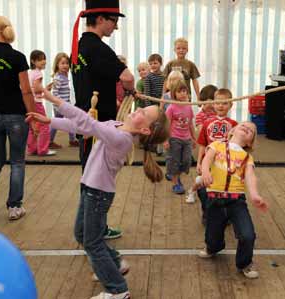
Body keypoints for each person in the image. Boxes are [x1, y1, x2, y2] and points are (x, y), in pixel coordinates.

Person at [26, 88, 169, 299]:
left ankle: (118, 290)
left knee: (92, 242)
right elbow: (82, 128)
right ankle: (116, 263)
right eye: (141, 108)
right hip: (90, 188)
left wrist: (52, 99)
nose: (137, 110)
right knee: (82, 234)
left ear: (146, 130)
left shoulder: (122, 139)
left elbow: (87, 123)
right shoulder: (115, 125)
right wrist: (49, 121)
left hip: (98, 194)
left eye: (143, 113)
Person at [71, 0, 135, 241]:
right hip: (99, 127)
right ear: (100, 19)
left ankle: (85, 229)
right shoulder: (97, 48)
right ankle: (92, 233)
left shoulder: (79, 47)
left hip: (86, 122)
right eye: (113, 21)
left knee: (89, 177)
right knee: (97, 183)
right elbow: (127, 77)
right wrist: (129, 89)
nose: (115, 27)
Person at [198, 121, 268, 279]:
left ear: (250, 141)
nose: (247, 128)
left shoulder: (247, 157)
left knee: (248, 235)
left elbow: (250, 177)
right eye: (244, 125)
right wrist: (205, 172)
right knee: (213, 238)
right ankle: (213, 247)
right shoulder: (217, 145)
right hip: (214, 199)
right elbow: (206, 159)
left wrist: (255, 195)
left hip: (236, 202)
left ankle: (245, 263)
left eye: (251, 130)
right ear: (232, 130)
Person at [0, 16, 37, 220]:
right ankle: (14, 207)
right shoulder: (17, 56)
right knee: (17, 161)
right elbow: (26, 90)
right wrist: (33, 116)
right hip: (16, 115)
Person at [195, 88, 237, 223]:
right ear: (213, 104)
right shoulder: (207, 123)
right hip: (208, 163)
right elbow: (202, 143)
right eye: (218, 103)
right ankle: (207, 212)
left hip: (226, 164)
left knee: (226, 189)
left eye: (225, 103)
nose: (220, 106)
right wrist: (199, 162)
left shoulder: (234, 125)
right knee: (203, 189)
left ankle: (226, 213)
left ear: (231, 105)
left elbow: (238, 148)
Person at [186, 84, 217, 203]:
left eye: (214, 101)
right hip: (206, 150)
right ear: (203, 101)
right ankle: (193, 190)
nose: (212, 104)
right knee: (202, 177)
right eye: (210, 101)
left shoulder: (218, 114)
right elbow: (200, 133)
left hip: (219, 151)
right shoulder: (200, 116)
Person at [164, 80, 196, 194]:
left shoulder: (188, 107)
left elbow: (190, 123)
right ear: (174, 94)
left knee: (187, 161)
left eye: (184, 91)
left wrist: (194, 138)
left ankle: (173, 174)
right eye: (179, 91)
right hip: (174, 138)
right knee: (175, 161)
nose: (183, 93)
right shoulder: (171, 108)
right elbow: (166, 124)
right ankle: (176, 182)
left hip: (186, 138)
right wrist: (166, 140)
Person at [26, 50, 56, 156]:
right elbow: (37, 89)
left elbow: (32, 88)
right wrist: (46, 90)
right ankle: (43, 150)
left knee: (33, 125)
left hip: (30, 102)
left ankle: (31, 149)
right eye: (40, 60)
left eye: (44, 59)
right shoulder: (38, 73)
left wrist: (43, 89)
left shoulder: (30, 72)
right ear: (33, 61)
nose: (43, 61)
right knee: (44, 125)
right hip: (37, 103)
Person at [49, 52, 79, 149]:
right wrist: (60, 103)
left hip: (63, 104)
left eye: (67, 63)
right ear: (57, 65)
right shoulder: (58, 78)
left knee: (62, 122)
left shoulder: (64, 76)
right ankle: (71, 140)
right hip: (60, 105)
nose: (65, 65)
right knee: (66, 122)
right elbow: (55, 92)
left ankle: (71, 140)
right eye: (62, 63)